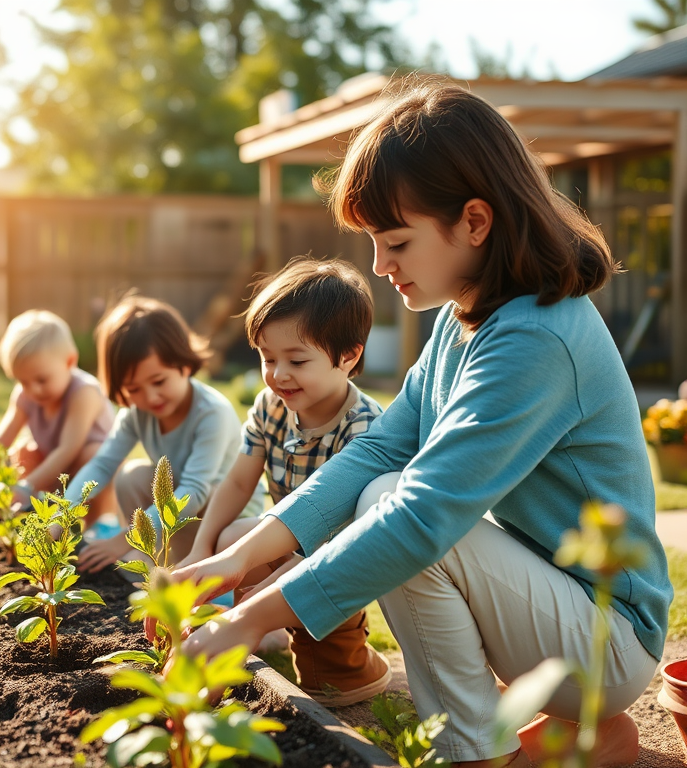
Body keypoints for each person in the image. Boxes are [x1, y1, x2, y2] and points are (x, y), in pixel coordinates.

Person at [171, 79, 673, 768]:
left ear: (474, 221)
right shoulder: (465, 318)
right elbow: (381, 447)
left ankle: (473, 751)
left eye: (397, 241)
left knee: (396, 513)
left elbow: (421, 516)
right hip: (560, 623)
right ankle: (572, 739)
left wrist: (248, 619)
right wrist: (234, 559)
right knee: (383, 490)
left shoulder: (535, 338)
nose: (379, 267)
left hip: (606, 640)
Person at [176, 256, 391, 706]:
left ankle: (354, 660)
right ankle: (268, 630)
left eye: (296, 359)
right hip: (281, 542)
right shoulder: (271, 406)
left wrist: (274, 590)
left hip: (335, 560)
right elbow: (238, 482)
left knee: (333, 690)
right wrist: (203, 546)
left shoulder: (364, 426)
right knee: (234, 534)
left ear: (348, 356)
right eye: (266, 357)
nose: (277, 374)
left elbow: (351, 540)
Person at [68, 294, 265, 573]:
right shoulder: (137, 414)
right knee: (130, 477)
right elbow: (102, 465)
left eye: (158, 381)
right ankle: (152, 567)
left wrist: (124, 539)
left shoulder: (211, 413)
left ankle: (167, 568)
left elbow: (194, 493)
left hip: (225, 524)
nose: (150, 397)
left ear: (184, 365)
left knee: (133, 548)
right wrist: (60, 516)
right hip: (180, 520)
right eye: (133, 389)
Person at [0, 309, 115, 510]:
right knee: (25, 451)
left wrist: (26, 486)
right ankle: (34, 509)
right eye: (23, 381)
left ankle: (96, 523)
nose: (32, 389)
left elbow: (67, 450)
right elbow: (2, 439)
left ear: (69, 362)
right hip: (55, 470)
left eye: (41, 380)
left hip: (94, 474)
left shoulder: (84, 393)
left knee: (92, 454)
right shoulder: (25, 394)